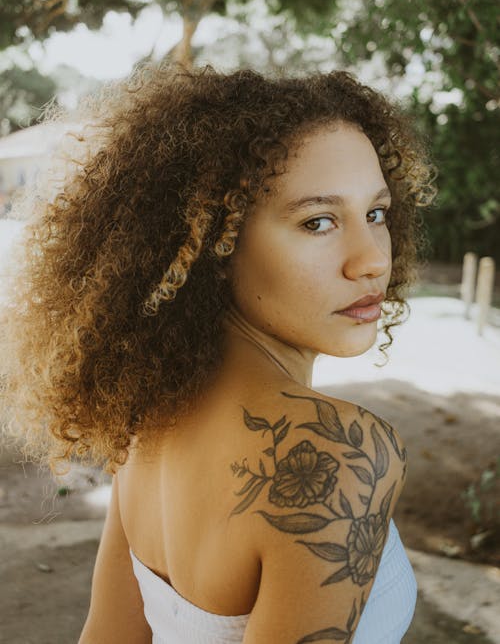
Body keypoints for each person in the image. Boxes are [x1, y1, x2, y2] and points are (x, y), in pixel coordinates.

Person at [0, 64, 435, 643]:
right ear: (212, 245)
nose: (372, 259)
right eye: (319, 221)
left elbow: (106, 634)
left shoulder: (148, 422)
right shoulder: (334, 453)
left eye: (375, 213)